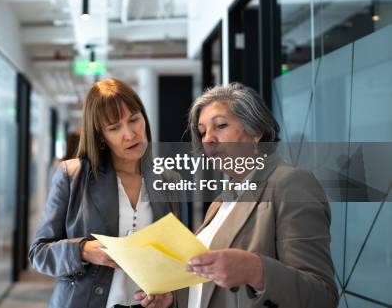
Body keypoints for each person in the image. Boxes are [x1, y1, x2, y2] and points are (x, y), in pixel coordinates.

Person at [135, 82, 338, 308]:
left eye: (220, 126)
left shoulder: (291, 184)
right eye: (202, 132)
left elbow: (321, 295)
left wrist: (256, 270)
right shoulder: (221, 201)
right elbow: (212, 287)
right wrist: (175, 297)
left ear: (256, 132)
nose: (208, 139)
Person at [29, 78, 178, 308]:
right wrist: (83, 250)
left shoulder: (167, 179)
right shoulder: (72, 176)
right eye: (114, 128)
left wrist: (168, 292)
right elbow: (38, 253)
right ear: (101, 136)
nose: (130, 134)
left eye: (134, 120)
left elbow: (173, 257)